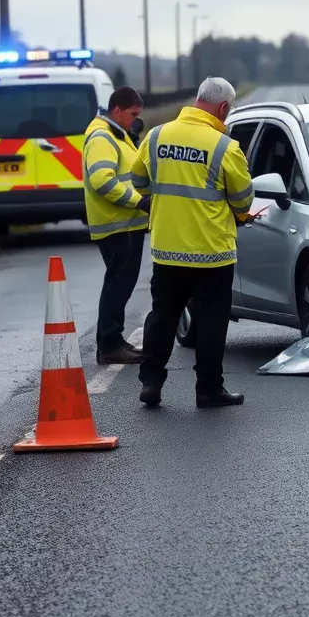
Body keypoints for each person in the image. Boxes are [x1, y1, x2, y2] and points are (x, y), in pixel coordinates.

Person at [131, 77, 254, 408]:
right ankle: (208, 389)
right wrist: (242, 216)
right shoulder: (225, 147)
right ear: (224, 108)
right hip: (211, 254)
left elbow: (138, 181)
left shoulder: (156, 136)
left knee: (162, 316)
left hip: (167, 249)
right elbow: (242, 201)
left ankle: (151, 382)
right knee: (211, 322)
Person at [82, 86, 151, 366]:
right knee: (118, 284)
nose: (135, 121)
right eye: (133, 115)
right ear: (117, 110)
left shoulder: (116, 134)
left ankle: (112, 340)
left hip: (124, 225)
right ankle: (109, 345)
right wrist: (138, 201)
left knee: (121, 283)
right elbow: (102, 181)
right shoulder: (102, 137)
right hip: (115, 225)